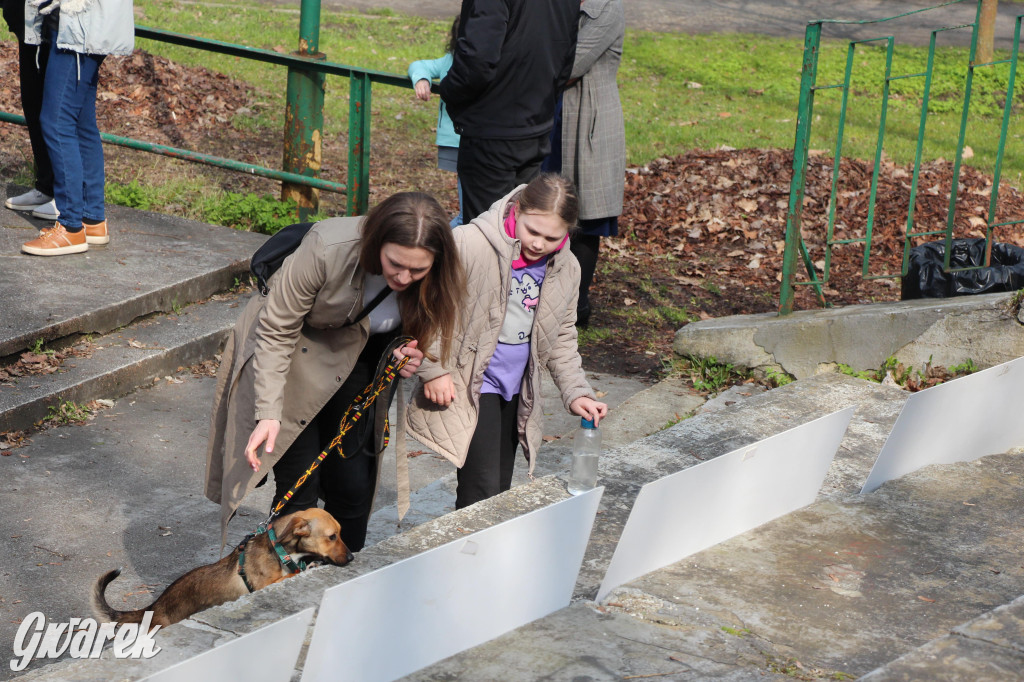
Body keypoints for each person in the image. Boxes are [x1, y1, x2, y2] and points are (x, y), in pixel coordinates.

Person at [204, 193, 466, 551]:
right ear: (377, 243)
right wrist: (268, 413)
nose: (404, 277)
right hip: (292, 355)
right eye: (394, 264)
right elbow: (277, 329)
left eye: (417, 270)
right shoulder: (328, 246)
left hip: (361, 360)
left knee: (354, 484)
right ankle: (288, 591)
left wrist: (424, 361)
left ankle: (344, 578)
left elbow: (433, 317)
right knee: (300, 486)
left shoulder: (440, 272)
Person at [407, 173, 608, 509]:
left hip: (516, 387)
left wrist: (576, 391)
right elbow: (429, 308)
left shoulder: (566, 267)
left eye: (552, 238)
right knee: (480, 490)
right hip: (471, 383)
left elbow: (561, 335)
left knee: (498, 486)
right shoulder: (469, 244)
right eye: (533, 231)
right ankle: (467, 555)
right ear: (516, 210)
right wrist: (432, 368)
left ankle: (482, 553)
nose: (539, 244)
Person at [439, 0, 579, 224]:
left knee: (489, 235)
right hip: (533, 123)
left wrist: (449, 91)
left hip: (494, 130)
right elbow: (566, 59)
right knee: (520, 227)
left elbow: (476, 62)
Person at [20, 0, 134, 256]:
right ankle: (91, 220)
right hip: (79, 22)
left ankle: (70, 227)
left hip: (80, 22)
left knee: (57, 121)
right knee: (81, 122)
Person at [545, 0, 626, 327]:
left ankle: (576, 308)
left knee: (585, 220)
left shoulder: (607, 7)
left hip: (589, 124)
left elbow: (570, 64)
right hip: (552, 116)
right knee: (546, 208)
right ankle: (544, 299)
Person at [1, 0, 57, 220]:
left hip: (57, 22)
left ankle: (69, 197)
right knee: (33, 105)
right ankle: (46, 186)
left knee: (58, 111)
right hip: (27, 19)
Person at [408, 16, 463, 227]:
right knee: (469, 213)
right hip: (458, 141)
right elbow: (419, 65)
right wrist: (421, 79)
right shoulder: (450, 60)